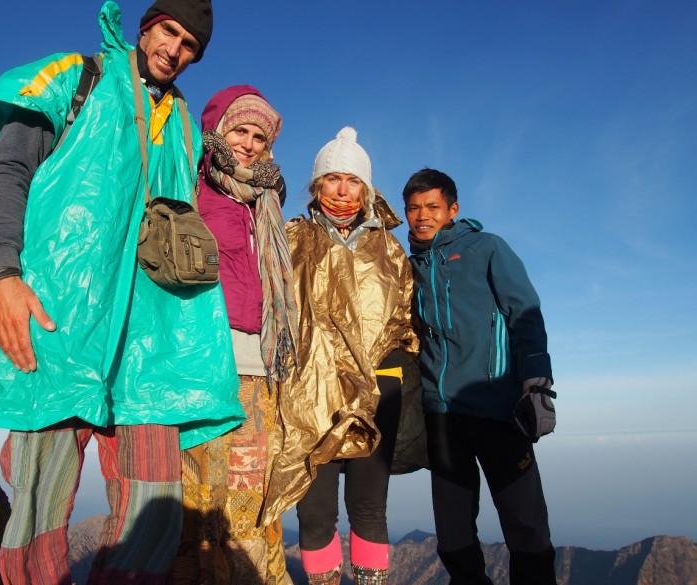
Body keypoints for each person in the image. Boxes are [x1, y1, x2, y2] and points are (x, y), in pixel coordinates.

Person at [0, 1, 245, 583]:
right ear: (146, 26)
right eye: (168, 31)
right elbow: (3, 175)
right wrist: (3, 277)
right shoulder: (76, 78)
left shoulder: (183, 125)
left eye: (189, 45)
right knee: (38, 508)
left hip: (146, 347)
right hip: (58, 328)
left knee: (152, 515)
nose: (174, 50)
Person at [262, 128, 419, 585]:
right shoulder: (292, 237)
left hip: (376, 387)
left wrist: (387, 372)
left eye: (352, 180)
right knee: (315, 511)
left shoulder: (389, 248)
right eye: (332, 179)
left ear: (366, 189)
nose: (342, 190)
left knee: (369, 508)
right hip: (311, 389)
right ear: (316, 186)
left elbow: (406, 318)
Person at [403, 168, 557, 585]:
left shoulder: (487, 248)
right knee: (452, 532)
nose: (422, 216)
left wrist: (537, 383)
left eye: (432, 207)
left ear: (452, 209)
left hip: (498, 406)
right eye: (413, 209)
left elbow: (524, 313)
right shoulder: (408, 266)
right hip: (441, 412)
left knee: (525, 522)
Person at [169, 86, 297, 584]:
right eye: (239, 130)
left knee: (248, 492)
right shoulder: (191, 183)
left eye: (258, 136)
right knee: (199, 490)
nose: (247, 143)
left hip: (258, 364)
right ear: (218, 130)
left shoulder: (267, 197)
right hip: (204, 357)